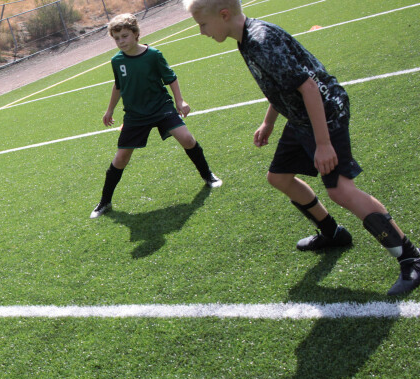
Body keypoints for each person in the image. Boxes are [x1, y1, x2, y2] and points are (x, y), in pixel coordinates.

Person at [184, 0, 420, 295]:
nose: (201, 32)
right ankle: (332, 233)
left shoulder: (260, 41)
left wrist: (323, 144)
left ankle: (411, 257)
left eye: (202, 25)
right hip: (300, 117)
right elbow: (281, 85)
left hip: (325, 112)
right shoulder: (245, 39)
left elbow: (308, 88)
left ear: (224, 15)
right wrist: (268, 122)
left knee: (340, 190)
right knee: (279, 177)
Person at [91, 13, 222, 219]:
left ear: (136, 34)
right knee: (121, 158)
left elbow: (170, 78)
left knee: (187, 139)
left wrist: (180, 101)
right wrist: (110, 110)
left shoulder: (153, 55)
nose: (121, 41)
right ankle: (104, 201)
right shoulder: (116, 61)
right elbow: (118, 85)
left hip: (161, 107)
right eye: (116, 38)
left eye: (125, 36)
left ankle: (208, 175)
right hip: (135, 115)